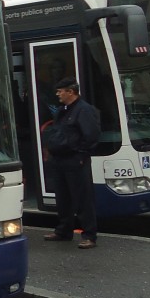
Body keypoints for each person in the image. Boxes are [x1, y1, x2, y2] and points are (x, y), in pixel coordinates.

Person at [43, 76, 101, 249]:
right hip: (59, 160)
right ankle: (63, 231)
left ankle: (89, 235)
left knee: (83, 199)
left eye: (60, 91)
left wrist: (80, 154)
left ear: (71, 91)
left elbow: (91, 136)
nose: (57, 94)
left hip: (76, 160)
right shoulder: (63, 110)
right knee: (63, 198)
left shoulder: (84, 110)